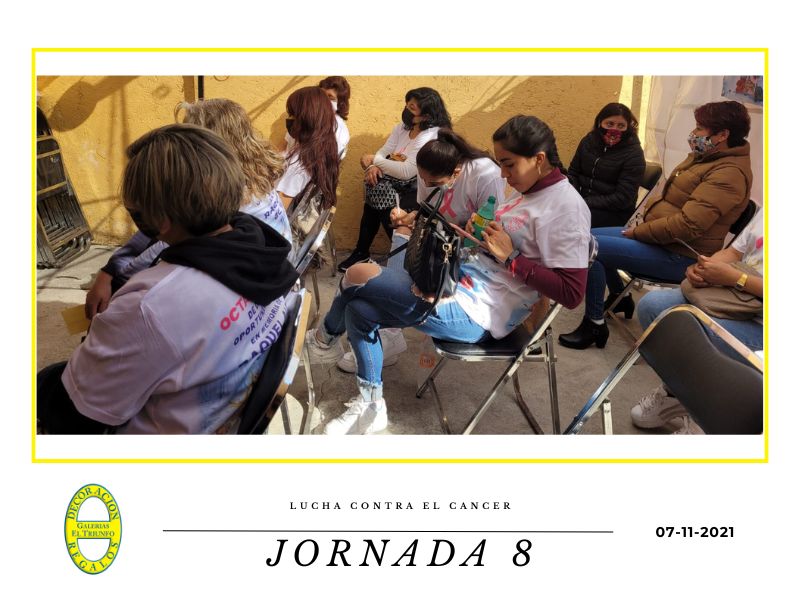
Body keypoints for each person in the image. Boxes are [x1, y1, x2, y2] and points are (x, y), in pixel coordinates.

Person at [307, 115, 591, 434]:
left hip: (480, 312)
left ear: (539, 159)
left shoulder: (566, 208)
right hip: (460, 280)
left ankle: (322, 341)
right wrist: (478, 235)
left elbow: (571, 294)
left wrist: (510, 258)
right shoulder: (527, 189)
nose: (503, 174)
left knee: (358, 274)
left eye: (509, 164)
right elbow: (504, 245)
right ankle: (371, 406)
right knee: (359, 311)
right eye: (501, 164)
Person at [37, 124, 298, 434]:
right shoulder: (266, 249)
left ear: (160, 220)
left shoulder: (150, 305)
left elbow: (79, 413)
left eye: (136, 211)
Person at [559, 100, 753, 350]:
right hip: (661, 239)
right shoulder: (707, 159)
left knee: (590, 246)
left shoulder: (728, 173)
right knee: (589, 237)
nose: (693, 133)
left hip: (680, 254)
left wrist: (639, 231)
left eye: (700, 128)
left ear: (722, 135)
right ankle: (620, 297)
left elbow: (688, 225)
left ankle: (594, 324)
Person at [84, 97, 291, 318]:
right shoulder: (258, 177)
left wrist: (117, 284)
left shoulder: (223, 200)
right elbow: (158, 228)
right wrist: (110, 270)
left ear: (206, 143)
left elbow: (162, 243)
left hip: (228, 299)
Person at [336, 128, 507, 374]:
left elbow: (489, 237)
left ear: (456, 173)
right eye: (422, 179)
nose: (425, 185)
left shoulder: (485, 175)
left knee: (359, 285)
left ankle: (340, 336)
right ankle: (389, 333)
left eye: (433, 183)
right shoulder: (430, 170)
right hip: (442, 242)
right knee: (402, 231)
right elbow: (427, 212)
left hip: (469, 255)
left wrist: (455, 233)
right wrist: (409, 218)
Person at [630, 208, 763, 433]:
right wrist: (703, 268)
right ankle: (682, 394)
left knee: (691, 335)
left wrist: (737, 278)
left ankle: (705, 414)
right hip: (732, 297)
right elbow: (733, 252)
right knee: (653, 308)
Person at [337, 87, 452, 271]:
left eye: (412, 108)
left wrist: (373, 160)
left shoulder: (431, 134)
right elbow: (384, 152)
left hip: (419, 188)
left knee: (381, 193)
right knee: (376, 185)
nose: (406, 110)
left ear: (426, 115)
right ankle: (364, 252)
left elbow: (407, 171)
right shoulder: (402, 128)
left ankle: (394, 256)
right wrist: (373, 166)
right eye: (407, 105)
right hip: (392, 183)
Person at [567, 102, 646, 227]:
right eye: (609, 124)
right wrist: (572, 197)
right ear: (600, 123)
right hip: (583, 202)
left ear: (628, 128)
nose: (614, 129)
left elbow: (623, 199)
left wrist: (584, 202)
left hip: (614, 212)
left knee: (567, 220)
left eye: (621, 126)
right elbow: (573, 173)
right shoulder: (588, 141)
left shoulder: (634, 154)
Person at [277, 86, 340, 210]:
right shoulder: (322, 150)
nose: (289, 119)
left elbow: (277, 209)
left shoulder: (298, 163)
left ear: (306, 118)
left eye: (293, 114)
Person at [285, 76, 350, 159]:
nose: (324, 100)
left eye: (330, 97)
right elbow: (285, 143)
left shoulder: (340, 132)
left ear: (340, 103)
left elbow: (323, 162)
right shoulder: (305, 116)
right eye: (322, 95)